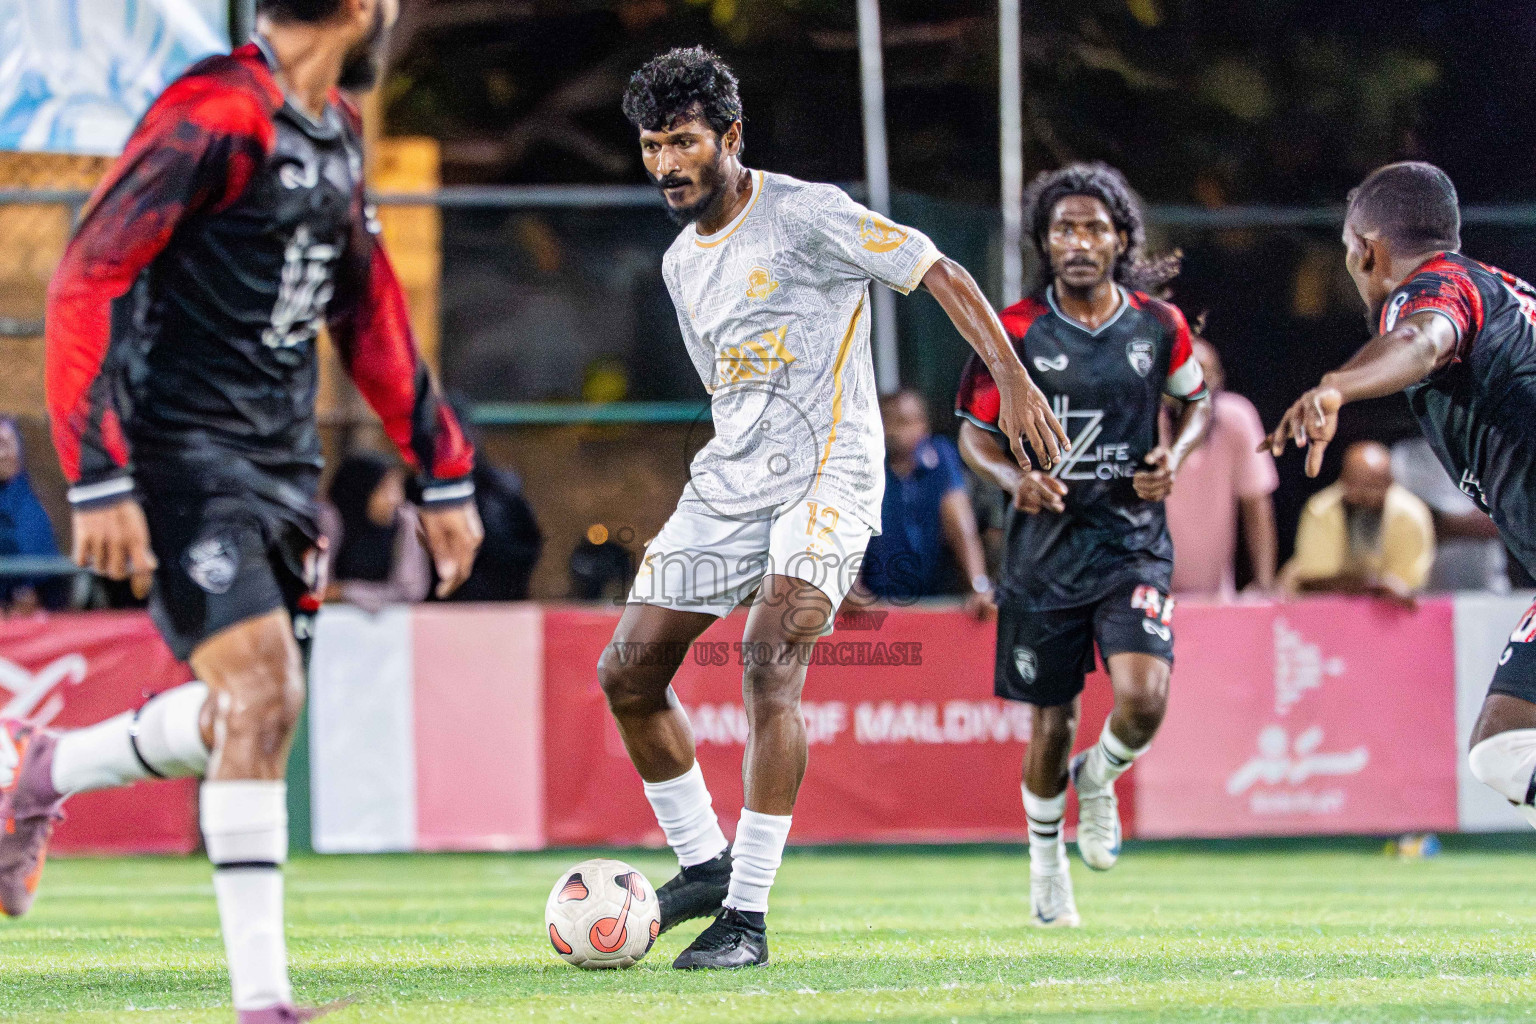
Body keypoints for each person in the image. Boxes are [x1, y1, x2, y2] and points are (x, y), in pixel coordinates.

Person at [15, 2, 484, 1021]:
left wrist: (443, 473)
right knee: (265, 694)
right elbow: (86, 278)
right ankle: (263, 1003)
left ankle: (44, 766)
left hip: (281, 471)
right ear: (359, 8)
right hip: (182, 459)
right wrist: (98, 475)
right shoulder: (212, 114)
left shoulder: (337, 132)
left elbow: (366, 311)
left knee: (250, 713)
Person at [600, 47, 1065, 969]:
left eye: (684, 141)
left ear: (731, 138)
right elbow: (734, 397)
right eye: (653, 145)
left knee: (768, 663)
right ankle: (702, 864)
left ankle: (747, 916)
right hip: (733, 482)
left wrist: (1012, 381)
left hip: (830, 476)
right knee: (627, 673)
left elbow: (938, 271)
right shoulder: (677, 265)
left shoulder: (808, 212)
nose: (665, 164)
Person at [955, 163, 1211, 928]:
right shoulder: (1016, 330)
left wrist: (1178, 452)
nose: (1078, 240)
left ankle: (1098, 780)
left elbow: (1196, 402)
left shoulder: (1158, 324)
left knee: (1142, 698)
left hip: (1131, 542)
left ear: (1121, 238)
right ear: (1044, 240)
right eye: (1063, 227)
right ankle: (1045, 867)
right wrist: (1015, 479)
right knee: (1051, 721)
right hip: (1043, 555)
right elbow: (972, 433)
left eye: (1094, 227)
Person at [1262, 161, 1536, 835]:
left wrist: (1336, 388)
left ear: (1365, 250)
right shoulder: (1505, 295)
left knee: (1504, 749)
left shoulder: (1439, 290)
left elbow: (1420, 338)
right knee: (1505, 748)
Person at [860, 389, 994, 616]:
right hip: (874, 606)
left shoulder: (939, 455)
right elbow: (849, 525)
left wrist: (979, 585)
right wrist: (849, 588)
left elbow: (961, 527)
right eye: (893, 421)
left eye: (911, 421)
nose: (900, 430)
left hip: (935, 602)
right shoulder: (864, 464)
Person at [1163, 338, 1279, 597]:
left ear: (1219, 379)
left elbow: (1257, 504)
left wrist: (1264, 582)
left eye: (1205, 372)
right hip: (1151, 594)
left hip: (1214, 596)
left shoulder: (1236, 418)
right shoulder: (1143, 420)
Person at [1278, 440, 1434, 604]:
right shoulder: (1321, 509)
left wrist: (1370, 586)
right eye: (1358, 487)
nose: (1367, 497)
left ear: (1390, 483)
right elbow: (1314, 578)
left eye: (1375, 487)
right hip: (1327, 608)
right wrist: (1373, 586)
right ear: (1343, 481)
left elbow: (1408, 586)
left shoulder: (1410, 514)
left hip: (1389, 612)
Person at [1391, 435, 1506, 592]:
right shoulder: (1404, 456)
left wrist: (1441, 522)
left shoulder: (1492, 450)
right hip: (1427, 590)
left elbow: (1501, 524)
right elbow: (1404, 526)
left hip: (1489, 587)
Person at [320, 453, 430, 613]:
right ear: (362, 489)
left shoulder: (404, 520)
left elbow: (412, 590)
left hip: (388, 628)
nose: (396, 499)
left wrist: (346, 591)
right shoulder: (330, 519)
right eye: (385, 489)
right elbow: (318, 588)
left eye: (398, 487)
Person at [0, 418, 66, 613]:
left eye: (9, 445)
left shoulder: (35, 498)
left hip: (39, 609)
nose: (3, 455)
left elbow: (44, 550)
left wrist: (34, 593)